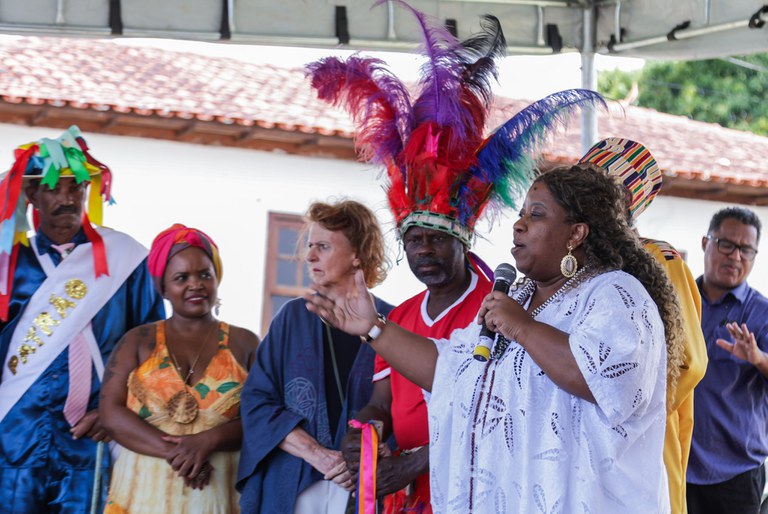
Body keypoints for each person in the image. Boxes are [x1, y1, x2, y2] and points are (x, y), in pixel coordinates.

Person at [306, 4, 604, 510]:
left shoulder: (503, 305)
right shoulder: (398, 317)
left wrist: (416, 458)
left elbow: (497, 410)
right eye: (414, 239)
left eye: (436, 239)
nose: (423, 249)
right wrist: (368, 433)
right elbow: (383, 402)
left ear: (463, 240)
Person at [306, 165, 685, 513]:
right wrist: (374, 327)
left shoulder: (614, 294)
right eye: (520, 214)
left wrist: (522, 328)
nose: (518, 225)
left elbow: (606, 379)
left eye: (535, 215)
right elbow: (450, 369)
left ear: (576, 233)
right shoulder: (517, 298)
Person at [0, 126, 165, 513]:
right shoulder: (7, 264)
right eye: (55, 188)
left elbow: (155, 350)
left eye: (76, 187)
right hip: (14, 436)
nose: (67, 198)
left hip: (92, 441)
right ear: (31, 196)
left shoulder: (128, 261)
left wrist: (117, 411)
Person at [236, 199, 394, 513]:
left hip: (366, 489)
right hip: (293, 484)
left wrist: (364, 460)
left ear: (357, 255)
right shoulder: (292, 318)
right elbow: (257, 402)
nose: (309, 256)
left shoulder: (392, 323)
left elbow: (405, 411)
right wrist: (317, 454)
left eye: (323, 246)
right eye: (310, 245)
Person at [579, 137, 708, 514]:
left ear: (627, 203)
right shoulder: (570, 263)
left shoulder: (660, 258)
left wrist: (624, 408)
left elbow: (689, 361)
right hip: (584, 442)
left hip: (641, 440)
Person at [100, 224, 259, 513]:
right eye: (181, 277)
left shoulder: (245, 343)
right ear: (163, 287)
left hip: (219, 496)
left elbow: (264, 415)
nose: (195, 284)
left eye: (204, 275)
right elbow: (110, 412)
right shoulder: (138, 340)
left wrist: (210, 440)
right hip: (140, 496)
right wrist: (180, 453)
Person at [686, 207, 768, 514]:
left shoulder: (761, 313)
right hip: (676, 463)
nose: (735, 256)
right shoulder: (677, 301)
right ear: (706, 243)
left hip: (735, 474)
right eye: (726, 244)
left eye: (746, 249)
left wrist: (758, 358)